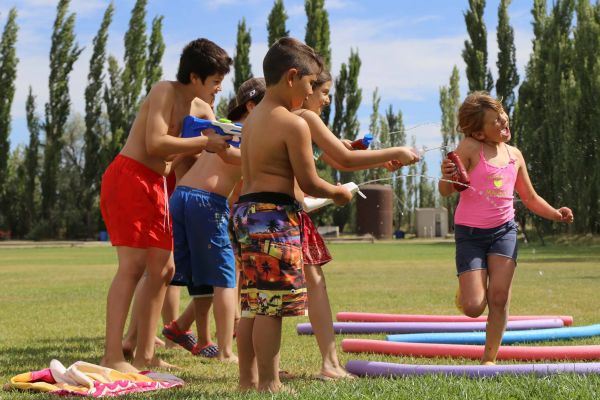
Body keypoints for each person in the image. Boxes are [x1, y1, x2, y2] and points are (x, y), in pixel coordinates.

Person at [99, 38, 233, 373]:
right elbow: (155, 142)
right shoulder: (165, 91)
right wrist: (206, 141)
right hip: (130, 178)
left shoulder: (204, 110)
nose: (218, 89)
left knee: (165, 269)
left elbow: (213, 153)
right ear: (194, 77)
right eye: (215, 82)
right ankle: (112, 355)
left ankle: (145, 355)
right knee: (132, 268)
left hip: (159, 186)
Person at [230, 37, 352, 393]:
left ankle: (247, 381)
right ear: (292, 77)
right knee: (271, 307)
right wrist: (338, 192)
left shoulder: (253, 121)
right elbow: (310, 182)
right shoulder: (292, 123)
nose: (312, 91)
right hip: (273, 216)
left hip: (245, 213)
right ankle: (269, 383)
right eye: (310, 84)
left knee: (253, 302)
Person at [292, 67, 420, 380]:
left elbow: (337, 156)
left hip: (269, 213)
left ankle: (259, 370)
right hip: (289, 213)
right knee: (314, 284)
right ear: (306, 87)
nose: (326, 100)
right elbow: (343, 161)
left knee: (267, 294)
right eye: (322, 92)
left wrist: (367, 155)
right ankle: (328, 363)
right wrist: (398, 152)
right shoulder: (304, 118)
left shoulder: (289, 120)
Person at [438, 91, 574, 365]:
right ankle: (466, 293)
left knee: (498, 298)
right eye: (495, 122)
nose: (503, 122)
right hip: (471, 235)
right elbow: (444, 191)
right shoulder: (468, 148)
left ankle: (489, 359)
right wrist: (448, 177)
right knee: (474, 307)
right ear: (477, 132)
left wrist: (556, 214)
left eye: (502, 115)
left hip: (504, 233)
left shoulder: (515, 155)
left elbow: (530, 198)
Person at [164, 77, 266, 363]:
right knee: (225, 277)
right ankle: (224, 352)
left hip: (182, 195)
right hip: (207, 201)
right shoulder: (247, 133)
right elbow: (236, 162)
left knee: (194, 275)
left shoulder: (227, 126)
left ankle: (169, 331)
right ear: (252, 106)